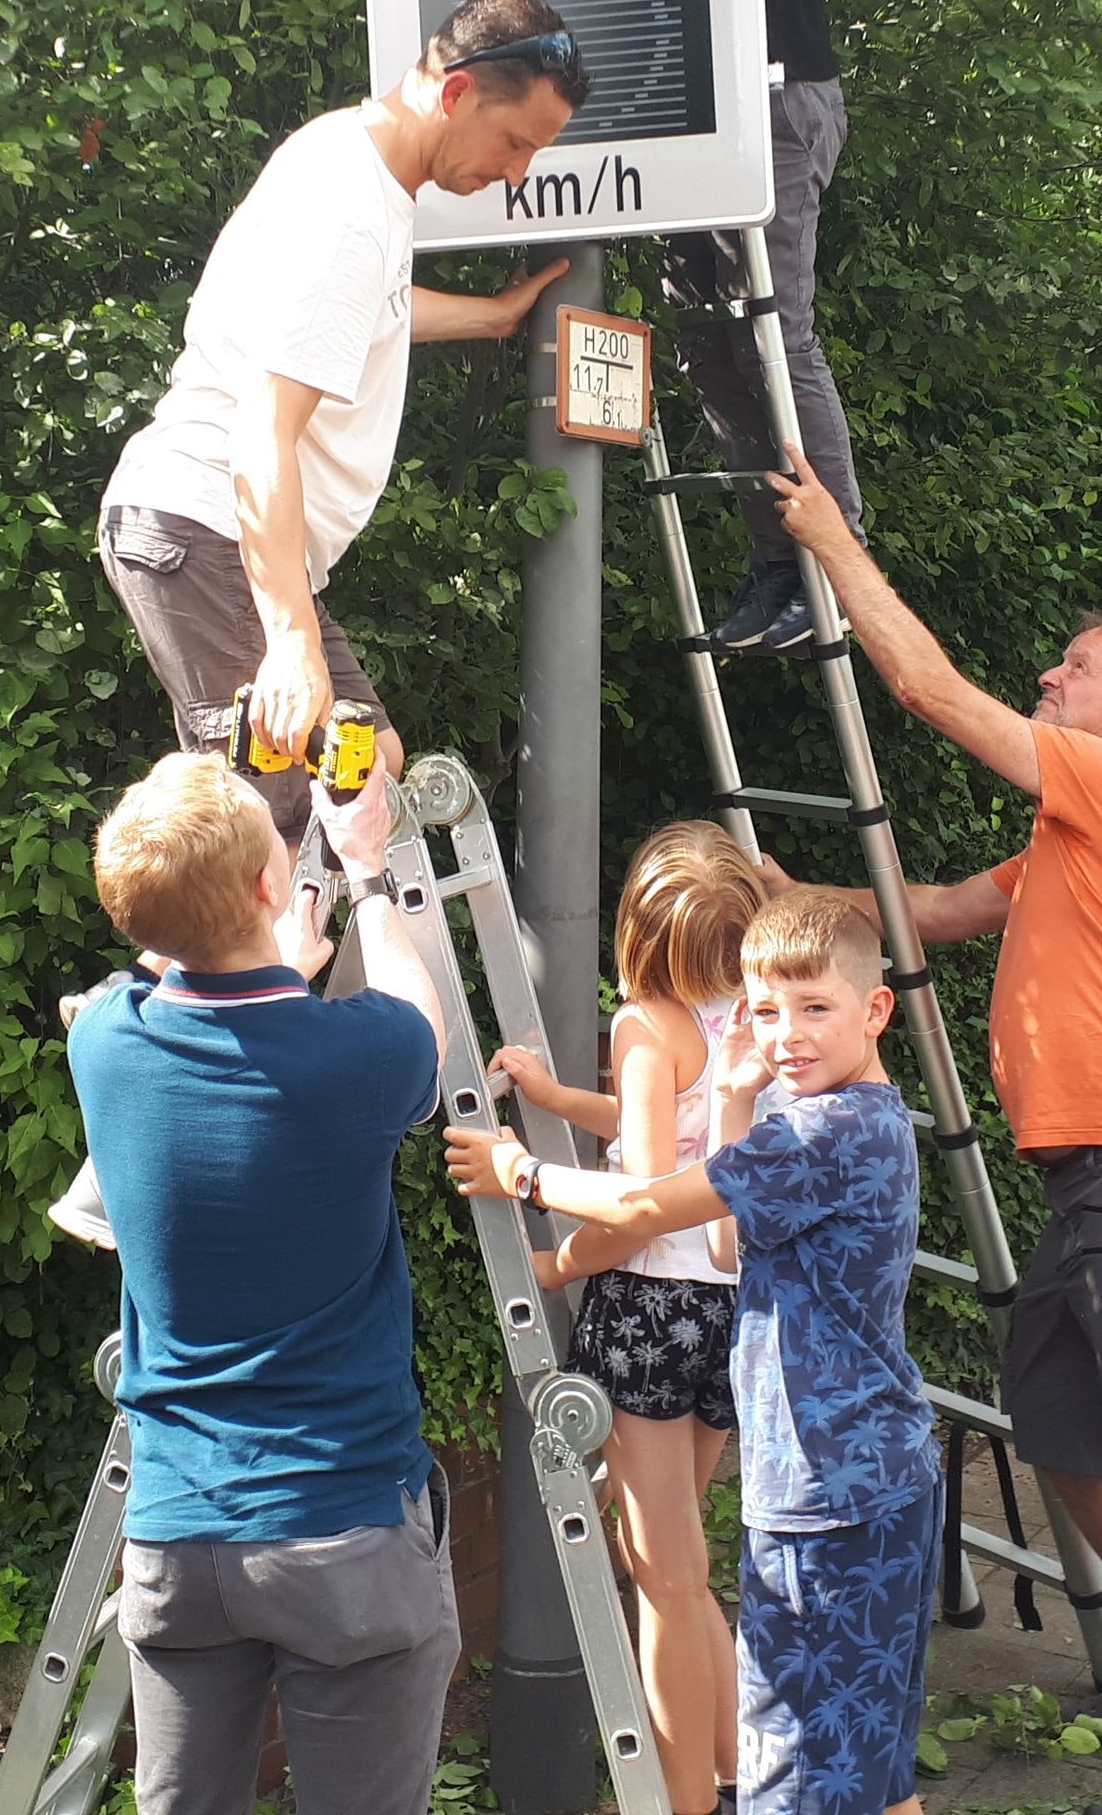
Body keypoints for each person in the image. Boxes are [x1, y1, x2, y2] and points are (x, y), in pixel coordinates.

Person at [757, 456, 1102, 1814]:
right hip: (1100, 1175)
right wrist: (767, 883)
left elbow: (930, 693)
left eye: (1075, 664)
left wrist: (829, 543)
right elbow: (924, 914)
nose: (1052, 677)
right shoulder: (1070, 834)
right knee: (1054, 1418)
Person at [449, 887, 939, 1815]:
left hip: (824, 1494)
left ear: (876, 1010)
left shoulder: (820, 1136)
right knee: (870, 1766)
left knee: (798, 1776)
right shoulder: (866, 1114)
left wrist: (523, 1173)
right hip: (883, 1474)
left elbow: (640, 1207)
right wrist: (734, 1098)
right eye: (763, 1012)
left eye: (813, 1009)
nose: (785, 1033)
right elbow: (725, 1249)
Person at [99, 0, 588, 842]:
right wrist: (290, 641)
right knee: (275, 831)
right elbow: (263, 426)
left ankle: (212, 964)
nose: (519, 173)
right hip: (210, 522)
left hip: (226, 534)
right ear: (457, 90)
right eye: (517, 143)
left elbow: (374, 312)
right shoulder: (350, 210)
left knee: (372, 763)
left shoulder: (360, 170)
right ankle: (182, 979)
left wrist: (495, 315)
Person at [67, 751, 458, 1815]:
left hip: (176, 1541)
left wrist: (267, 947)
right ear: (271, 887)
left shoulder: (104, 1041)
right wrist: (372, 872)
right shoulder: (355, 1059)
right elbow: (423, 1030)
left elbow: (182, 978)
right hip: (341, 1530)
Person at [491, 822, 768, 1815]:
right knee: (680, 1557)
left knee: (663, 1577)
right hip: (730, 1307)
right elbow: (672, 1123)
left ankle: (683, 1796)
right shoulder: (750, 1013)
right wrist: (562, 1098)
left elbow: (643, 1200)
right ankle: (738, 1770)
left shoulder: (648, 1023)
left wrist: (557, 1259)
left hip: (650, 1308)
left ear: (636, 931)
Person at [664, 0, 865, 653]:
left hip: (778, 92)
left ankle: (836, 563)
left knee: (774, 334)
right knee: (707, 343)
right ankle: (778, 564)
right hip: (701, 106)